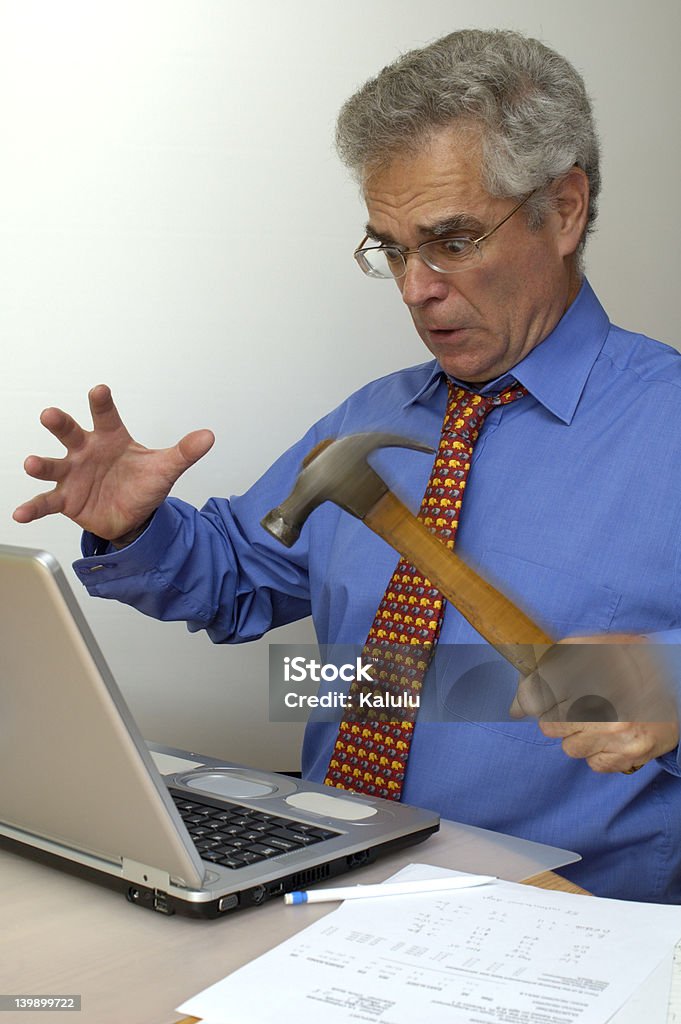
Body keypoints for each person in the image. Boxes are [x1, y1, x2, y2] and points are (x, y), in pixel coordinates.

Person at [13, 29, 681, 902]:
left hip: (573, 925)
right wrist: (138, 526)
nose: (415, 286)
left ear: (563, 210)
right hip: (326, 898)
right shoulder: (371, 418)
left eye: (450, 239)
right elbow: (237, 579)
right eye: (392, 248)